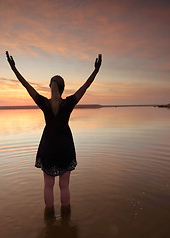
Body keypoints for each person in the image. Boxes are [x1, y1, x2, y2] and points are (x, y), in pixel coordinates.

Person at [6, 51, 102, 215]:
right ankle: (66, 219)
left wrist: (13, 68)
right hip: (65, 146)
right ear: (63, 89)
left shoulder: (44, 103)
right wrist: (96, 70)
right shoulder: (69, 102)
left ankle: (49, 219)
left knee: (48, 186)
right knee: (64, 186)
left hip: (48, 146)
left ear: (51, 88)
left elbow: (26, 86)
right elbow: (86, 86)